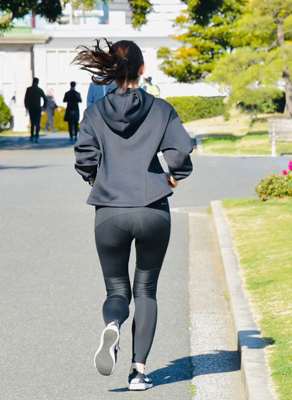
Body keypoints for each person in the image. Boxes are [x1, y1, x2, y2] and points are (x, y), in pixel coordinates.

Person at [73, 38, 193, 391]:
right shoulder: (161, 109)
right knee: (147, 290)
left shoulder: (94, 113)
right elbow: (181, 153)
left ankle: (113, 325)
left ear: (111, 71)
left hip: (110, 211)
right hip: (153, 208)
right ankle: (138, 371)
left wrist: (97, 179)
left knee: (116, 290)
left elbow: (84, 158)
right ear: (142, 69)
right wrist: (173, 176)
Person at [24, 78, 47, 143]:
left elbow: (26, 99)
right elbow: (45, 99)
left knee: (32, 122)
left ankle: (32, 136)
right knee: (37, 122)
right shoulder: (39, 90)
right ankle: (36, 136)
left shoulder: (29, 90)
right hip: (37, 108)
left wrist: (26, 107)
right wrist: (43, 107)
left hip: (31, 108)